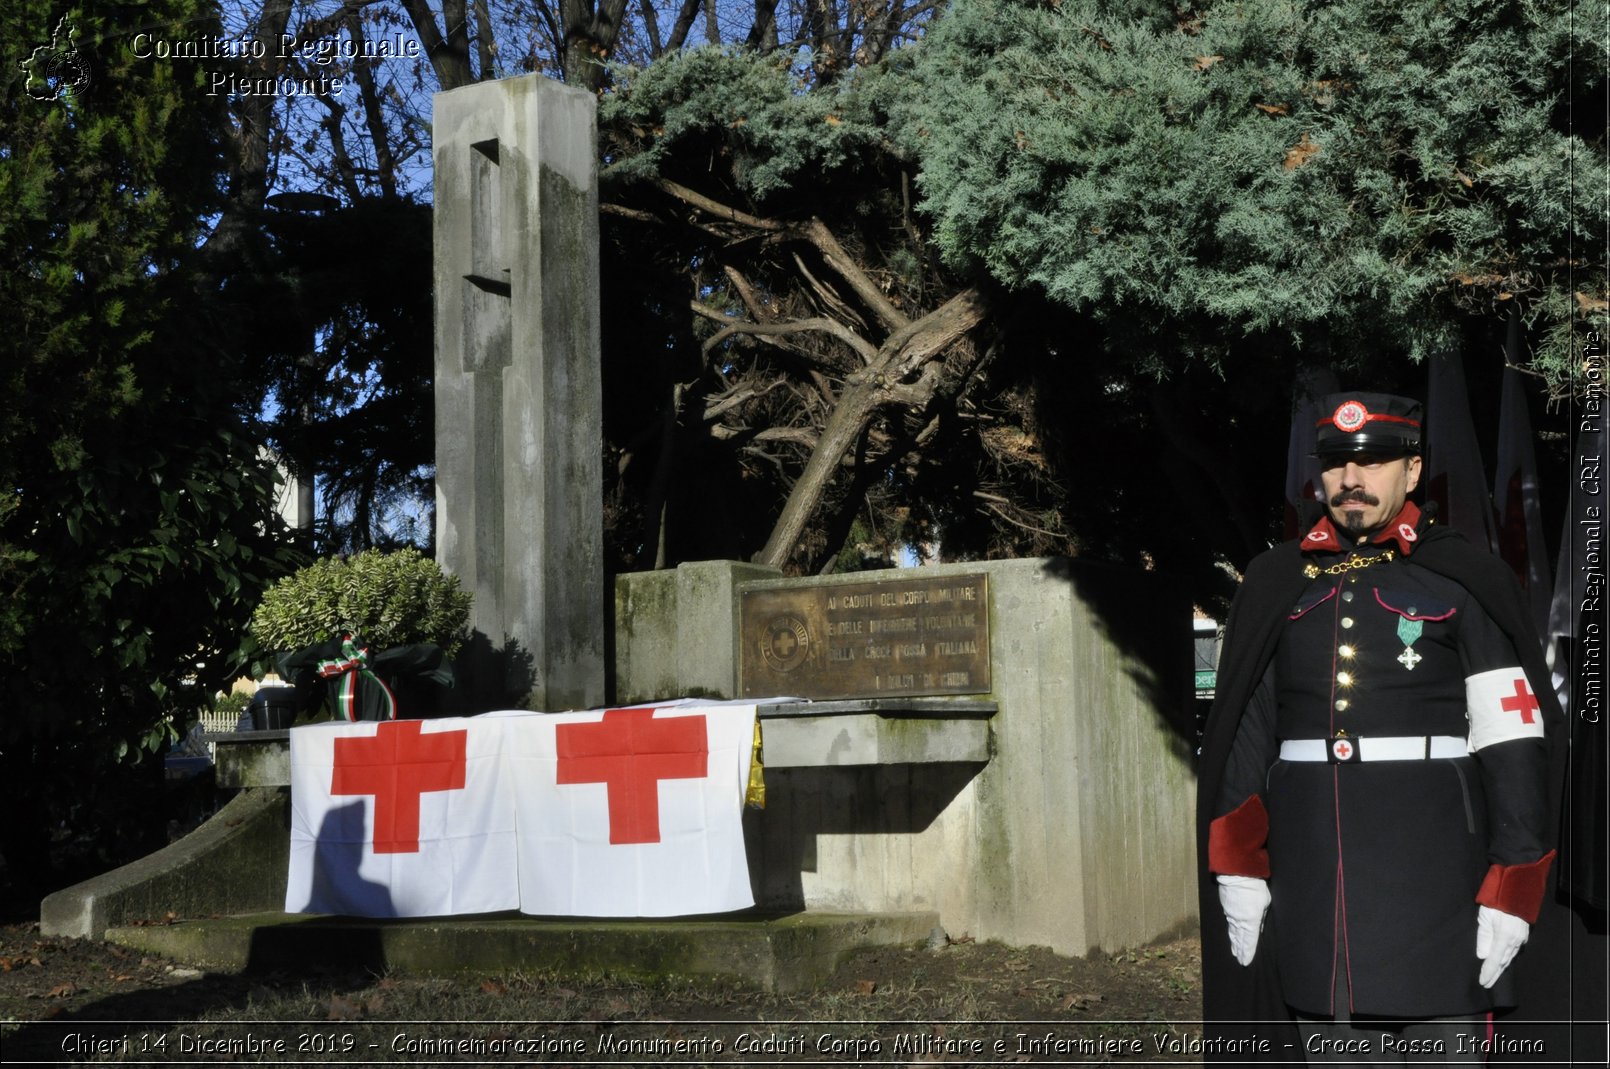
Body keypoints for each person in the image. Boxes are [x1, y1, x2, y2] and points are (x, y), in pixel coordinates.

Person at [1195, 392, 1561, 1065]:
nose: (1351, 480)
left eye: (1374, 462)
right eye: (1335, 464)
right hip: (1315, 888)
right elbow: (1247, 724)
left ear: (1413, 470)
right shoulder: (1281, 579)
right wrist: (1238, 866)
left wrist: (1515, 879)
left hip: (1442, 890)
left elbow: (1512, 735)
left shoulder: (1462, 577)